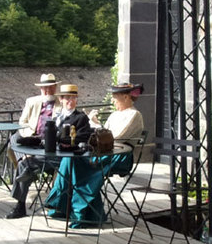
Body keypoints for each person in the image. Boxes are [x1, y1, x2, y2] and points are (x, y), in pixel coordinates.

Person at [45, 82, 145, 225]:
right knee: (69, 159)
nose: (112, 100)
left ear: (125, 97)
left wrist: (96, 125)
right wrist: (96, 125)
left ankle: (83, 212)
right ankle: (60, 205)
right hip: (104, 151)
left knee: (79, 165)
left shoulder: (134, 115)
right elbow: (105, 134)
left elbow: (116, 137)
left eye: (115, 97)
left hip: (119, 155)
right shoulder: (115, 114)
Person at [6, 83, 94, 219]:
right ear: (61, 99)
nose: (70, 101)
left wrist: (62, 140)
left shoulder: (80, 117)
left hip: (67, 157)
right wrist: (31, 141)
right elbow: (47, 136)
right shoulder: (57, 117)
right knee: (24, 163)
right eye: (67, 98)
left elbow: (84, 137)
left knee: (29, 166)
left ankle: (29, 173)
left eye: (73, 98)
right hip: (51, 154)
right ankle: (20, 206)